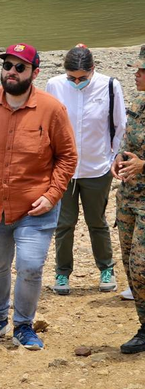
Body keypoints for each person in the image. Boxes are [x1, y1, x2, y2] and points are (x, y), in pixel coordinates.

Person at [0, 44, 77, 351]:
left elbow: (67, 156)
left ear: (34, 73)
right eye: (7, 66)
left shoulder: (52, 109)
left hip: (35, 208)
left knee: (30, 266)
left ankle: (24, 324)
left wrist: (52, 195)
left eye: (20, 67)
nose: (11, 72)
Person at [46, 45, 126, 295]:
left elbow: (120, 125)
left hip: (97, 167)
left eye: (83, 78)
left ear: (93, 69)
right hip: (64, 169)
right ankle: (62, 273)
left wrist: (113, 156)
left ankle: (106, 269)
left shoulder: (110, 86)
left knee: (97, 221)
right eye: (72, 78)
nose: (77, 82)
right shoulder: (54, 85)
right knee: (64, 223)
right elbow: (47, 125)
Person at [111, 45, 145, 353]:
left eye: (142, 70)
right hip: (128, 198)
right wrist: (119, 158)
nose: (136, 74)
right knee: (128, 265)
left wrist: (143, 165)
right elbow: (127, 140)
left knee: (141, 266)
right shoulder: (138, 102)